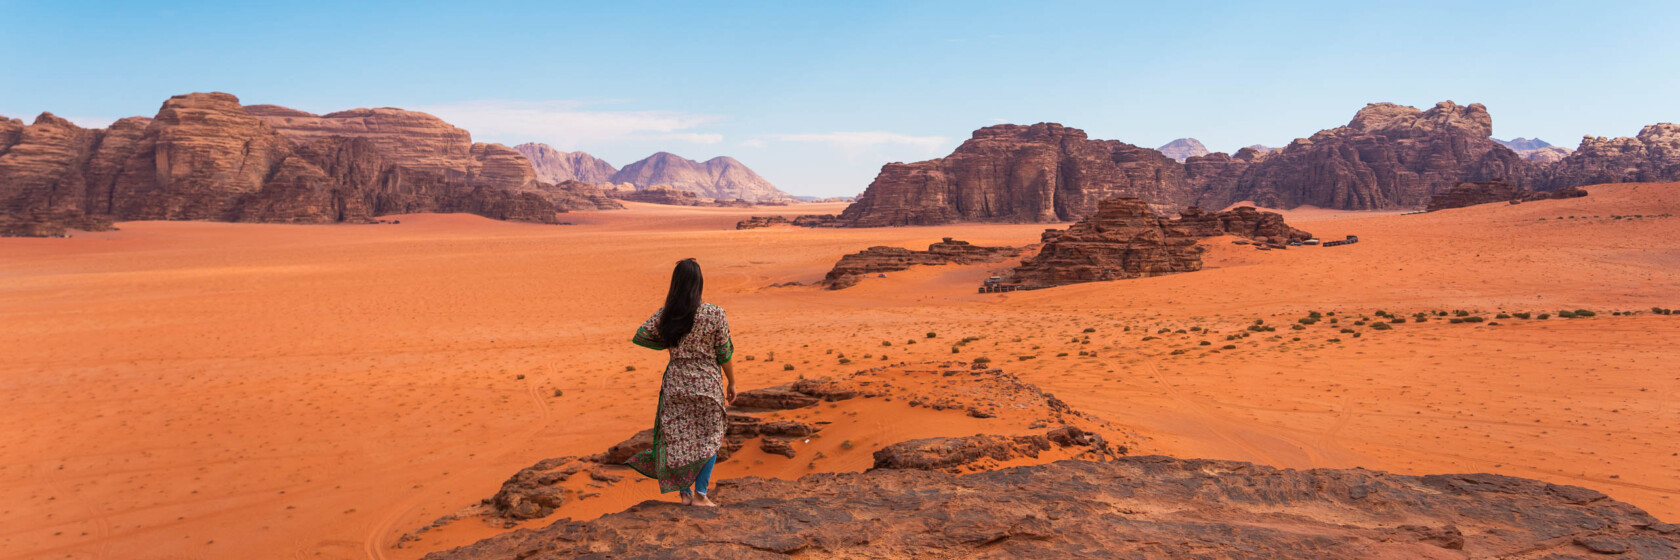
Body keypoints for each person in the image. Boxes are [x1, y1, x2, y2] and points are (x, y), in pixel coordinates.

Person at [626, 258, 736, 507]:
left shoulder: (669, 314)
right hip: (707, 384)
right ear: (699, 283)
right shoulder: (715, 313)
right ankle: (701, 494)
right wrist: (732, 382)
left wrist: (669, 341)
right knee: (711, 436)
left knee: (678, 438)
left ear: (675, 284)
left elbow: (642, 334)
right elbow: (724, 352)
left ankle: (685, 494)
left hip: (677, 383)